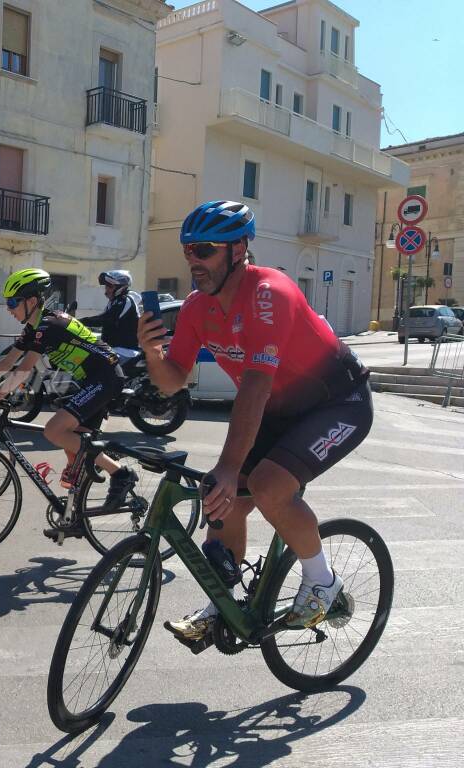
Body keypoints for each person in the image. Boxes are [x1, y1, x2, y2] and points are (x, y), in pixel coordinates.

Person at [137, 200, 372, 640]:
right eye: (188, 250)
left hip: (338, 402)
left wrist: (230, 467)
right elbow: (172, 381)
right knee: (219, 496)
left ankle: (323, 582)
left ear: (239, 248)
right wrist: (153, 352)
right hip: (280, 411)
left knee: (266, 486)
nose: (193, 260)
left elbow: (255, 386)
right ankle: (222, 604)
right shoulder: (194, 309)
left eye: (204, 250)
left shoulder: (270, 293)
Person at [0, 268, 138, 536]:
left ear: (31, 302)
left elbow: (23, 371)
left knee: (54, 430)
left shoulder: (50, 325)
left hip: (105, 377)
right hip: (88, 380)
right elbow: (7, 362)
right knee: (74, 458)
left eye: (12, 302)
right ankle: (75, 519)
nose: (9, 309)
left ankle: (121, 474)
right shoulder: (34, 327)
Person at [79, 270, 142, 360]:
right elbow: (105, 319)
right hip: (114, 349)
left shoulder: (124, 301)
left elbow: (105, 319)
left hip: (123, 351)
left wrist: (77, 322)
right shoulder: (115, 302)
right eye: (106, 286)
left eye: (110, 286)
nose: (106, 289)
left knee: (90, 361)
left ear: (121, 287)